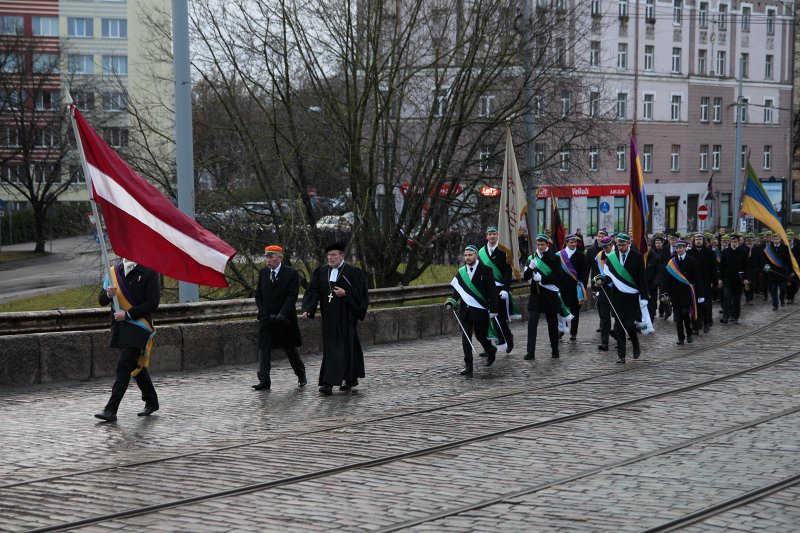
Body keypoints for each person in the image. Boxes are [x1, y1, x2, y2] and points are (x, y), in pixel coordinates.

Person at [95, 258, 160, 422]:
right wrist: (107, 294)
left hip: (139, 326)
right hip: (120, 328)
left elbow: (153, 303)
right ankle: (151, 401)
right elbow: (102, 301)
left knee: (123, 366)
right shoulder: (113, 272)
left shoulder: (149, 271)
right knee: (134, 365)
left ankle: (111, 410)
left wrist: (128, 314)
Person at [301, 242, 369, 395]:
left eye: (333, 255)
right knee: (331, 349)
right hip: (329, 318)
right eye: (328, 255)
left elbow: (361, 295)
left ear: (342, 256)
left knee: (345, 348)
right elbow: (313, 291)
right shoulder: (322, 272)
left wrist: (346, 294)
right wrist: (308, 309)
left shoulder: (353, 272)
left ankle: (338, 381)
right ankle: (332, 381)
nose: (330, 258)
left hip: (346, 317)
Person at [253, 245, 306, 390]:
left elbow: (292, 296)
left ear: (279, 258)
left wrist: (282, 314)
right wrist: (264, 312)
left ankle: (301, 374)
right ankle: (264, 380)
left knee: (290, 349)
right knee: (264, 349)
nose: (268, 260)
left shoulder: (291, 273)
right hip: (267, 318)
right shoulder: (263, 273)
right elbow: (259, 296)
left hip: (285, 318)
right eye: (266, 257)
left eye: (271, 257)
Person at [445, 244, 499, 375]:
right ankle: (468, 365)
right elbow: (458, 291)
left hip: (480, 309)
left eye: (470, 255)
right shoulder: (461, 271)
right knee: (466, 337)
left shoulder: (486, 270)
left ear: (476, 255)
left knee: (481, 336)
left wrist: (494, 309)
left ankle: (490, 350)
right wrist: (451, 300)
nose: (467, 258)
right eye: (466, 255)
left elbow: (492, 291)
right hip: (465, 311)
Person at [602, 233, 647, 363]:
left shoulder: (637, 257)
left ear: (629, 244)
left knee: (629, 324)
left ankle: (635, 342)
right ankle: (621, 356)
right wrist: (600, 282)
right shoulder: (612, 258)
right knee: (618, 327)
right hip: (617, 296)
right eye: (618, 245)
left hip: (631, 297)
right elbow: (609, 276)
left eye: (623, 244)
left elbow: (641, 278)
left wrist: (644, 296)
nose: (620, 247)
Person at [523, 233, 564, 359]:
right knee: (532, 323)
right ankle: (530, 352)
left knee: (552, 325)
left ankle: (555, 350)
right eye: (538, 244)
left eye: (542, 244)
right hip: (536, 296)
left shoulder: (554, 258)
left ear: (547, 244)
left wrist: (543, 278)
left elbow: (559, 277)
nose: (540, 247)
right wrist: (530, 267)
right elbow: (525, 277)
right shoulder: (532, 258)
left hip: (550, 296)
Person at [478, 226, 514, 353]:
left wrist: (505, 289)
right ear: (486, 236)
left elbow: (507, 272)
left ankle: (509, 340)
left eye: (494, 233)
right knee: (485, 319)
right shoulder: (481, 252)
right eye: (489, 234)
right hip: (486, 289)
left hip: (499, 289)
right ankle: (488, 347)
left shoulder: (503, 251)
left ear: (498, 235)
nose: (492, 236)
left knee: (500, 318)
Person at [663, 240, 703, 345]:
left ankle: (689, 334)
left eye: (681, 247)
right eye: (677, 248)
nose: (679, 249)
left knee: (685, 314)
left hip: (687, 292)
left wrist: (700, 294)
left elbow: (697, 278)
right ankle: (681, 338)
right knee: (678, 317)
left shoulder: (692, 261)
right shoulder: (672, 262)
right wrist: (666, 292)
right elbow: (667, 279)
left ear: (685, 248)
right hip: (675, 293)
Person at [557, 234, 588, 341]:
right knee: (561, 308)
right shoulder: (559, 255)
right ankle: (562, 329)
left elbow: (584, 272)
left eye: (575, 242)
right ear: (566, 243)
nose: (574, 244)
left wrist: (582, 284)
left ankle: (573, 332)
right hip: (562, 286)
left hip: (575, 287)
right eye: (571, 242)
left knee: (575, 311)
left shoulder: (581, 255)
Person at [686, 233, 717, 334]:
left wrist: (714, 281)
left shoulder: (711, 253)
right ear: (693, 241)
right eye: (696, 239)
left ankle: (706, 322)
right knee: (694, 305)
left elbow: (714, 269)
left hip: (706, 282)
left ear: (703, 241)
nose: (698, 241)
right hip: (693, 283)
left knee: (705, 305)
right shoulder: (689, 253)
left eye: (700, 239)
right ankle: (696, 326)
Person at [590, 235, 615, 351]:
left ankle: (620, 338)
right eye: (603, 247)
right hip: (604, 289)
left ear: (612, 245)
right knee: (605, 316)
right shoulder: (599, 256)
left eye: (607, 247)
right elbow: (595, 273)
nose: (605, 249)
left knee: (619, 315)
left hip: (618, 289)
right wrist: (595, 284)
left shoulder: (619, 255)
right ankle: (604, 342)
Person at [718, 234, 748, 324]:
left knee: (736, 300)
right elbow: (722, 266)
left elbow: (746, 266)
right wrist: (720, 278)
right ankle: (725, 317)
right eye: (732, 241)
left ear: (738, 242)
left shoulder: (743, 252)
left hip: (738, 280)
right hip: (727, 279)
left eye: (735, 241)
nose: (734, 243)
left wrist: (746, 278)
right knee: (726, 298)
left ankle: (735, 317)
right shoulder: (726, 251)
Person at [764, 233, 792, 311]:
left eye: (777, 239)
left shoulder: (785, 247)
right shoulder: (769, 248)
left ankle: (782, 299)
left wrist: (791, 271)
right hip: (772, 273)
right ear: (772, 240)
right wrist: (766, 269)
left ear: (780, 239)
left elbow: (788, 260)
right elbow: (766, 261)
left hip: (782, 273)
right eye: (774, 239)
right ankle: (775, 305)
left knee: (783, 289)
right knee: (773, 290)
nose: (776, 241)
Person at [644, 235, 665, 321]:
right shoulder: (640, 257)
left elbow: (659, 272)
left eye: (648, 246)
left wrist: (655, 283)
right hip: (642, 284)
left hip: (652, 285)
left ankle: (650, 319)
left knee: (651, 303)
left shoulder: (656, 257)